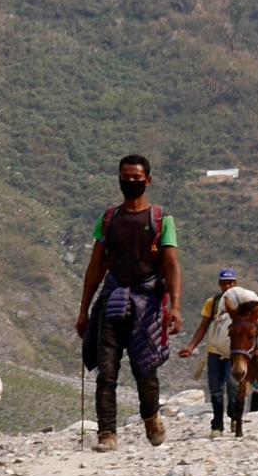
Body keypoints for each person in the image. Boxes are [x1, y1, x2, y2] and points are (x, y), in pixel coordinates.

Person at [75, 153, 181, 451]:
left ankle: (151, 416)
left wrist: (175, 306)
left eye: (136, 178)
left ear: (148, 181)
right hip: (112, 299)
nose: (131, 182)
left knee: (145, 369)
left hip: (148, 303)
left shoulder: (161, 220)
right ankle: (107, 433)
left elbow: (172, 265)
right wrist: (84, 310)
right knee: (106, 372)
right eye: (126, 177)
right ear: (119, 179)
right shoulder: (109, 219)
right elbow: (95, 267)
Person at [177, 266, 242, 433]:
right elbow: (203, 326)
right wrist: (191, 347)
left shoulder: (241, 304)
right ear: (219, 284)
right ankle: (217, 425)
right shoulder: (212, 303)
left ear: (235, 283)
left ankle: (234, 416)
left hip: (233, 354)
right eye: (224, 283)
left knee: (233, 386)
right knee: (215, 390)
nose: (227, 286)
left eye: (230, 283)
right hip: (214, 352)